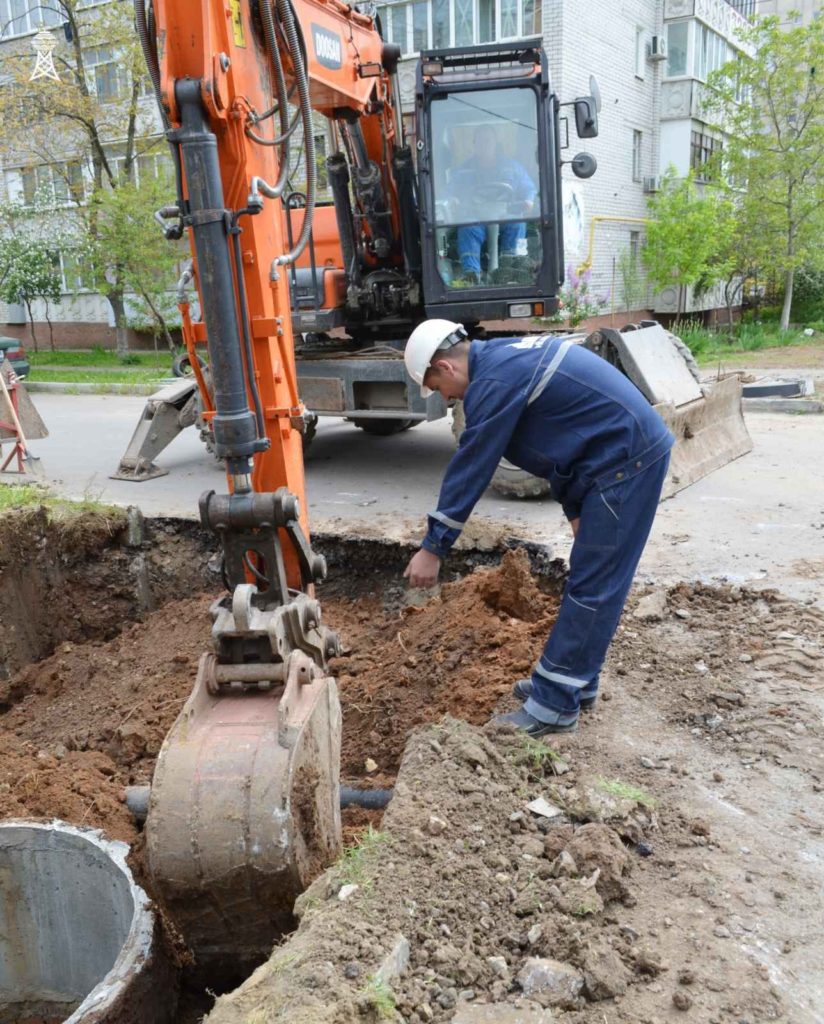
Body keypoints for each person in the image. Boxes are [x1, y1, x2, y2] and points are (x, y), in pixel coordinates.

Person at [402, 319, 674, 737]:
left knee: (594, 586)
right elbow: (556, 445)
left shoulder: (493, 383)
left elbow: (472, 465)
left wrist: (433, 547)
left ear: (446, 367)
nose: (445, 397)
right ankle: (575, 681)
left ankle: (554, 707)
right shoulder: (505, 360)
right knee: (591, 579)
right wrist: (574, 508)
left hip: (625, 461)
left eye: (438, 388)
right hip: (610, 459)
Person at [447, 125, 537, 281]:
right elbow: (450, 190)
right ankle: (472, 275)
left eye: (488, 140)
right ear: (474, 144)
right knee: (467, 228)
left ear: (495, 142)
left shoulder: (513, 168)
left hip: (505, 215)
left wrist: (529, 200)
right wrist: (451, 199)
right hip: (476, 217)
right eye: (480, 141)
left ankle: (509, 271)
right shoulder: (463, 171)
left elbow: (529, 188)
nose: (484, 144)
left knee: (517, 224)